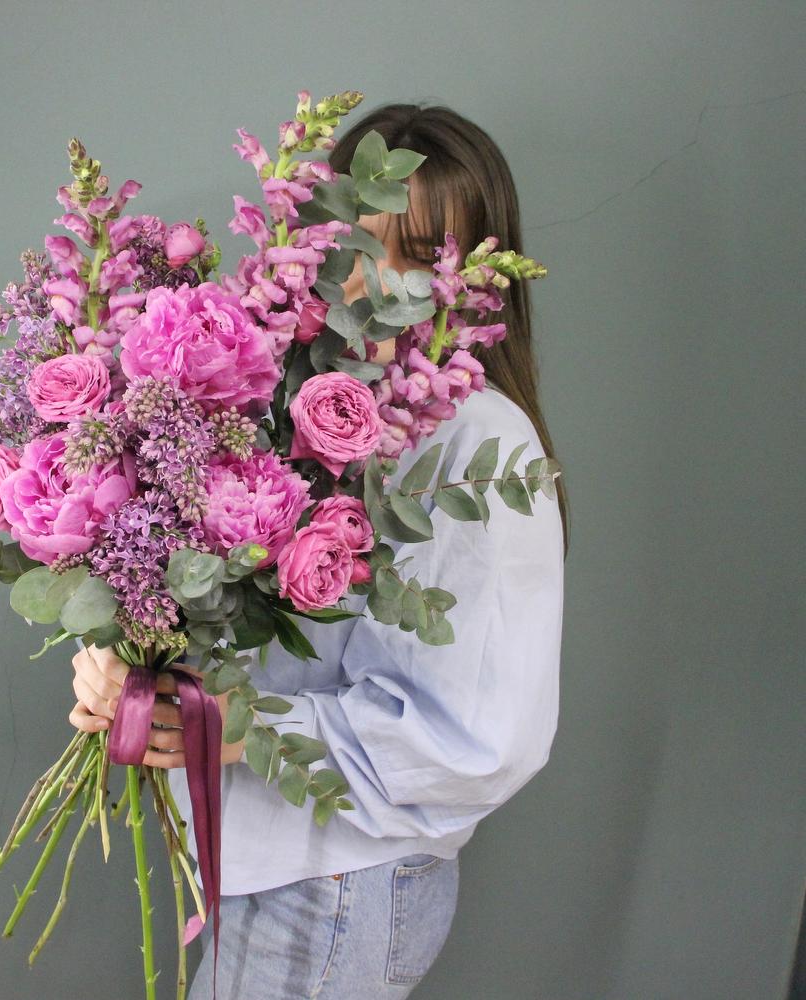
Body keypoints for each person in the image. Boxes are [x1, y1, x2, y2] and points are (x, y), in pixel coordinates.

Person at [69, 102, 569, 999]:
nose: (376, 282)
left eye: (420, 257)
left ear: (476, 285)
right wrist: (130, 667)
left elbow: (479, 736)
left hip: (335, 885)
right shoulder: (290, 395)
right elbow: (226, 608)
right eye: (355, 244)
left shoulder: (475, 442)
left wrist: (239, 730)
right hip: (263, 869)